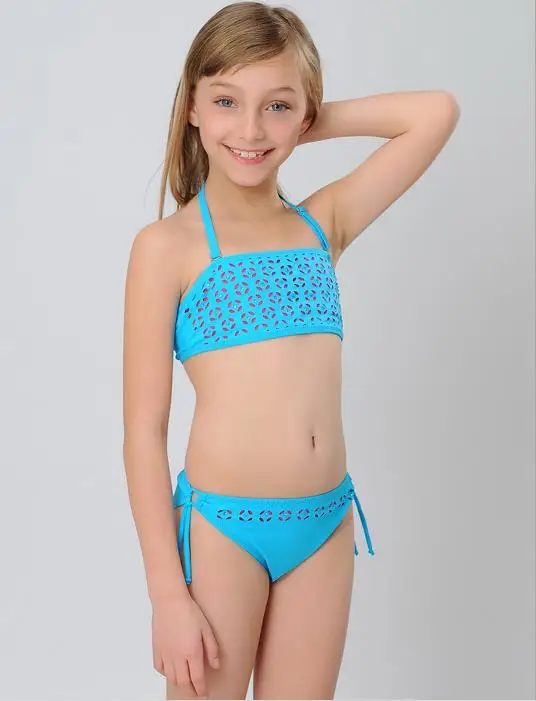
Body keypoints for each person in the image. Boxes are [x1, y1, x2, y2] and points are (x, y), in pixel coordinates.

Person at [122, 2, 460, 699]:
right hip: (223, 530)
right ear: (192, 107)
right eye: (226, 102)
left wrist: (302, 118)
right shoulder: (167, 248)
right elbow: (142, 432)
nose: (250, 129)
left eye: (275, 106)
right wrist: (167, 594)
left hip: (325, 525)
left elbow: (435, 113)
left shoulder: (322, 224)